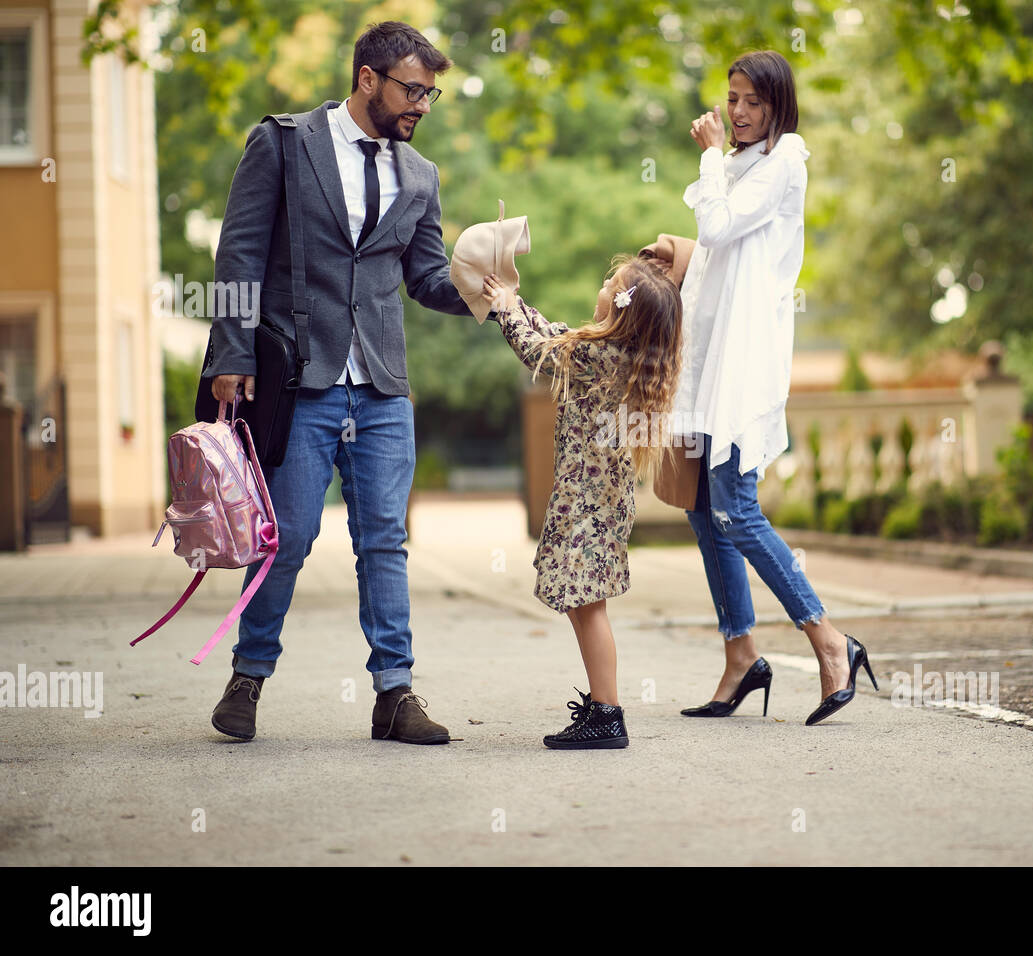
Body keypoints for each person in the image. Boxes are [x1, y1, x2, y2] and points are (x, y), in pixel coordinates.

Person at [202, 21, 472, 743]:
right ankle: (249, 675)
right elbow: (239, 253)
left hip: (381, 386)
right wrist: (231, 354)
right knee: (284, 538)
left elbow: (426, 277)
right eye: (412, 89)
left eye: (430, 93)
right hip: (298, 378)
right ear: (367, 79)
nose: (422, 105)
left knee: (383, 539)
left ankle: (395, 693)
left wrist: (482, 287)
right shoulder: (284, 143)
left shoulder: (421, 175)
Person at [673, 50, 878, 726]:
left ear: (778, 106)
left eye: (752, 101)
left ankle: (828, 639)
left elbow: (721, 224)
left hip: (744, 366)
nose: (736, 112)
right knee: (704, 509)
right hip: (707, 365)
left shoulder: (786, 159)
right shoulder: (736, 167)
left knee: (735, 509)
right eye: (731, 98)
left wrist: (704, 160)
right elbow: (714, 253)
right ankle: (741, 656)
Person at [481, 257, 682, 748]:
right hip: (596, 503)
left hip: (588, 505)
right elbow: (553, 334)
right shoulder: (617, 352)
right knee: (583, 604)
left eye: (609, 283)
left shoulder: (602, 357)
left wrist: (507, 310)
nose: (601, 285)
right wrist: (513, 300)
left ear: (621, 306)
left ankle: (608, 715)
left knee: (589, 608)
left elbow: (537, 352)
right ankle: (601, 706)